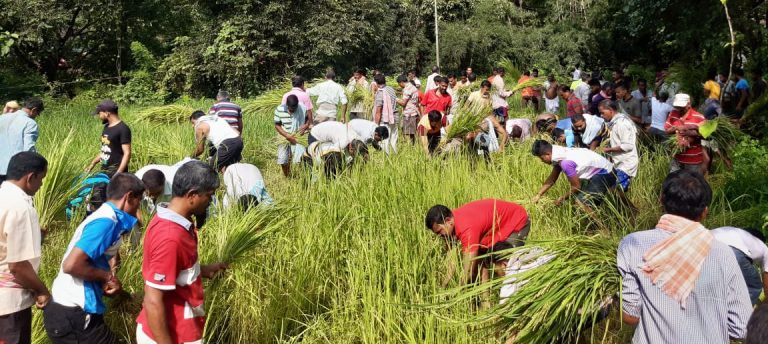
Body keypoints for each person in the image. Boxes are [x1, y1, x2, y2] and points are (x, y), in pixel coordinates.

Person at [617, 170, 752, 343]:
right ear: (705, 212)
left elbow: (630, 316)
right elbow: (742, 328)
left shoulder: (632, 244)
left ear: (661, 200)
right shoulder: (723, 253)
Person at [45, 173, 144, 344]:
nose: (138, 208)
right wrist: (107, 277)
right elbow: (71, 265)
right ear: (129, 197)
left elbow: (106, 253)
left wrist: (111, 274)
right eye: (138, 201)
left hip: (71, 310)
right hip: (73, 311)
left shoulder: (108, 217)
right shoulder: (105, 222)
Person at [136, 161, 228, 344]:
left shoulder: (172, 219)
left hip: (180, 328)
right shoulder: (171, 237)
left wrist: (202, 269)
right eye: (209, 195)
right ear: (192, 195)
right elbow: (153, 299)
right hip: (172, 333)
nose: (211, 201)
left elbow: (175, 267)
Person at [0, 152, 49, 344]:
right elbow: (17, 266)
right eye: (41, 179)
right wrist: (42, 290)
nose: (41, 185)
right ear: (31, 177)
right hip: (9, 306)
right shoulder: (21, 207)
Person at [424, 199, 530, 286]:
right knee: (481, 260)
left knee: (502, 265)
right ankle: (486, 304)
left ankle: (512, 301)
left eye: (439, 232)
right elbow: (451, 262)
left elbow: (469, 271)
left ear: (448, 221)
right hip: (493, 229)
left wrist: (457, 294)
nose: (440, 236)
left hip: (516, 221)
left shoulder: (467, 229)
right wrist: (443, 286)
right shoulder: (449, 228)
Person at [531, 140, 616, 211]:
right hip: (608, 168)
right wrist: (539, 194)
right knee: (616, 195)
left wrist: (561, 199)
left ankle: (603, 229)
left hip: (604, 172)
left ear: (547, 154)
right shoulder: (558, 152)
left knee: (580, 203)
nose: (542, 161)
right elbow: (553, 177)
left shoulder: (565, 162)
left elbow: (576, 186)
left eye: (542, 158)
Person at [711, 226, 767, 305]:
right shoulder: (763, 247)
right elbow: (766, 277)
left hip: (701, 246)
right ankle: (741, 313)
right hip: (731, 251)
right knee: (754, 286)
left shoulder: (733, 231)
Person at [598, 100, 638, 192]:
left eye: (602, 113)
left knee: (618, 191)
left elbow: (627, 146)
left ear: (610, 110)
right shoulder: (613, 123)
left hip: (625, 163)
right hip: (617, 162)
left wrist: (608, 150)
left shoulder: (622, 123)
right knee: (614, 190)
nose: (601, 115)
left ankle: (628, 207)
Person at [0, 98, 43, 182]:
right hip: (13, 170)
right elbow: (29, 149)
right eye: (38, 113)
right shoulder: (30, 123)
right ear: (34, 110)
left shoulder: (2, 118)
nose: (36, 117)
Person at [86, 100, 131, 177]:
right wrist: (92, 163)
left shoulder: (123, 129)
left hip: (117, 173)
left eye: (99, 113)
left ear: (107, 113)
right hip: (104, 170)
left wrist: (118, 173)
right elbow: (105, 149)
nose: (99, 116)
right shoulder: (106, 127)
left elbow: (127, 153)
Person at [665, 94, 706, 174]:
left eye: (681, 107)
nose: (679, 109)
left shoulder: (699, 117)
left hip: (693, 160)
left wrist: (688, 133)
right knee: (674, 182)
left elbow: (704, 135)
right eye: (677, 106)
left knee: (691, 183)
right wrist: (676, 128)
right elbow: (667, 131)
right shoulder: (673, 114)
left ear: (689, 104)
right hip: (676, 157)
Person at [274, 95, 308, 177]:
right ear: (287, 105)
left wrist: (305, 126)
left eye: (295, 109)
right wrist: (287, 136)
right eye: (291, 109)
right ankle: (288, 176)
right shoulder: (279, 109)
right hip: (284, 136)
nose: (293, 111)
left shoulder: (302, 108)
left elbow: (308, 120)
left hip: (298, 136)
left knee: (301, 159)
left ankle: (302, 176)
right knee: (283, 159)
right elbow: (277, 125)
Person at [373, 74, 399, 154]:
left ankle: (386, 158)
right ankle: (395, 155)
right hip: (394, 118)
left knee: (384, 140)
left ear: (376, 83)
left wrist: (375, 125)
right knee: (393, 139)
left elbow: (378, 111)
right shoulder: (390, 89)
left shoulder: (380, 93)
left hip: (385, 120)